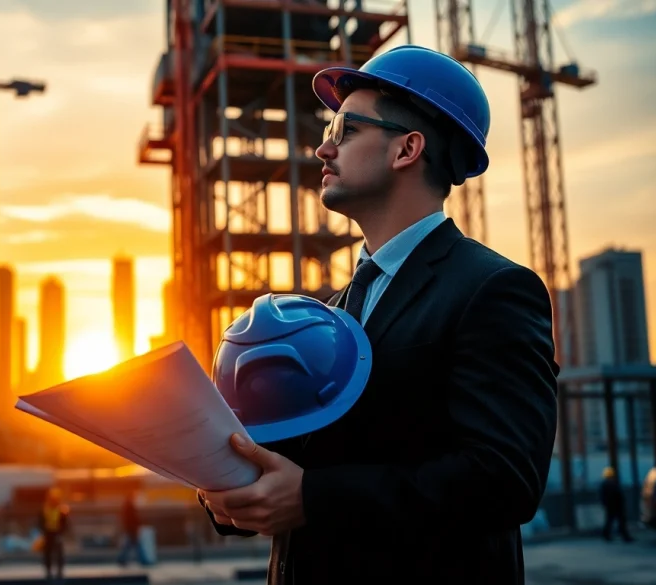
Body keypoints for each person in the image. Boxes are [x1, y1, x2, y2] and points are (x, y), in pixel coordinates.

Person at [196, 44, 560, 584]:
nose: (323, 149)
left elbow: (505, 477)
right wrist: (230, 486)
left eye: (345, 130)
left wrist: (312, 499)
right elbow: (302, 462)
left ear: (407, 149)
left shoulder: (494, 290)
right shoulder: (335, 309)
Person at [39, 487, 70, 583]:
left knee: (59, 553)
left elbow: (65, 523)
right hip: (48, 533)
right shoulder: (45, 509)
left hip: (57, 533)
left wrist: (62, 533)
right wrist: (43, 531)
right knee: (47, 554)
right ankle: (48, 572)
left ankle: (59, 571)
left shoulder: (62, 510)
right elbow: (40, 521)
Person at [116, 491, 152, 566]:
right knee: (136, 545)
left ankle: (122, 559)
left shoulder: (126, 506)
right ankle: (143, 560)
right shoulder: (130, 506)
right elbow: (133, 518)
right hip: (132, 529)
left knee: (129, 546)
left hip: (130, 528)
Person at [600, 467, 633, 542]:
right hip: (616, 506)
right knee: (620, 521)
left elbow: (603, 496)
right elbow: (618, 495)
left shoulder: (605, 484)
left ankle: (607, 535)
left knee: (609, 521)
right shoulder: (613, 484)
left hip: (610, 506)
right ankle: (624, 535)